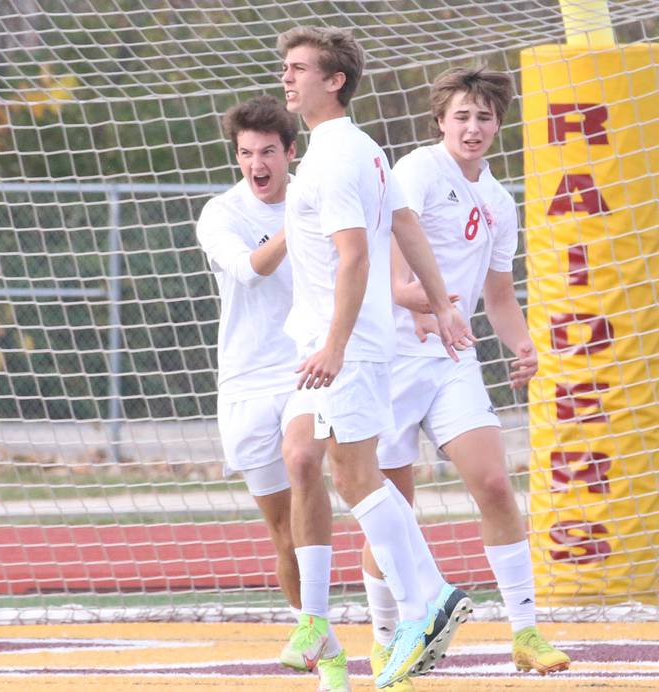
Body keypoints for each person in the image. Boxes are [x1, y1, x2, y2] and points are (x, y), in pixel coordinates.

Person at [276, 26, 475, 691]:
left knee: (357, 476)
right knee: (308, 455)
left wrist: (335, 344)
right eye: (286, 67)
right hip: (326, 342)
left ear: (334, 82)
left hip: (347, 343)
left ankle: (426, 601)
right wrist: (444, 304)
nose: (287, 77)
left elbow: (358, 254)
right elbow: (408, 226)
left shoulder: (337, 157)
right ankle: (328, 618)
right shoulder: (361, 149)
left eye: (299, 68)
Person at [362, 67, 571, 679]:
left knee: (496, 484)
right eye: (462, 116)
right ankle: (385, 638)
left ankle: (526, 632)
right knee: (393, 507)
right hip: (391, 360)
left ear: (498, 125)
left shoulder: (500, 202)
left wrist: (524, 345)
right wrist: (430, 305)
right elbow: (391, 278)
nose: (473, 127)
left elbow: (499, 294)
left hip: (451, 360)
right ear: (441, 121)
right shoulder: (419, 171)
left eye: (484, 117)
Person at [195, 95, 350, 692]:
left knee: (305, 459)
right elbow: (248, 270)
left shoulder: (322, 197)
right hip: (244, 380)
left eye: (267, 152)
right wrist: (299, 221)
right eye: (245, 153)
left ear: (291, 153)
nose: (256, 163)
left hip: (305, 365)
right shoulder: (220, 213)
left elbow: (360, 260)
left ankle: (355, 622)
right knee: (281, 533)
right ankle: (327, 648)